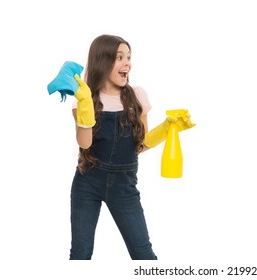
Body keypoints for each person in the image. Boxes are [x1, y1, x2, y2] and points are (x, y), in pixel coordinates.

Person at [69, 34, 195, 260]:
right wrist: (85, 105)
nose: (127, 62)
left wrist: (168, 128)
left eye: (128, 57)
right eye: (119, 57)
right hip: (87, 182)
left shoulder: (136, 96)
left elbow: (141, 144)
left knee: (143, 253)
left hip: (124, 185)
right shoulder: (84, 100)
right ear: (102, 60)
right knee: (81, 253)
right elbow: (84, 143)